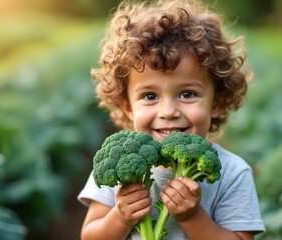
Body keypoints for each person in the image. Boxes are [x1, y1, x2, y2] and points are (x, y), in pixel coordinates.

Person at [77, 0, 265, 239]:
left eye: (187, 94)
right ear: (128, 107)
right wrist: (120, 217)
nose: (168, 111)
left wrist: (192, 217)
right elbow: (90, 236)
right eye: (150, 96)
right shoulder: (117, 167)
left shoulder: (232, 173)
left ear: (216, 103)